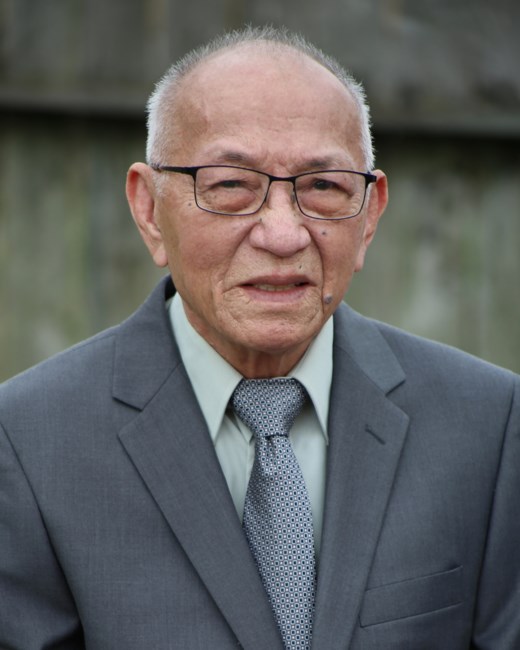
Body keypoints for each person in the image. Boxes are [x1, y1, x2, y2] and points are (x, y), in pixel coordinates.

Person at [0, 26, 518, 650]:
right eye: (229, 185)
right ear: (149, 210)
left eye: (323, 187)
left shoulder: (488, 426)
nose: (282, 234)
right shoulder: (27, 442)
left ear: (370, 215)